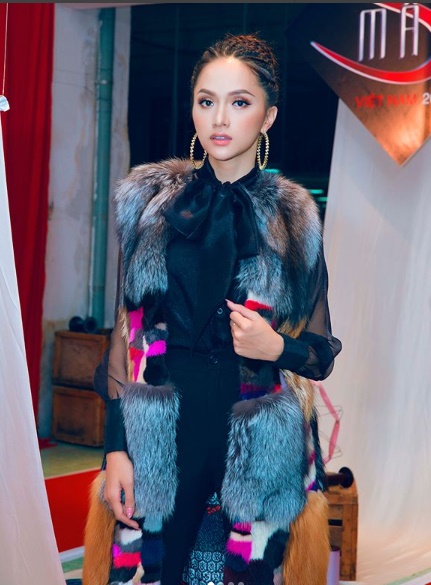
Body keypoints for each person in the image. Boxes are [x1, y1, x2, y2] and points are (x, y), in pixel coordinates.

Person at [82, 33, 341, 585]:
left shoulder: (295, 219)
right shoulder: (148, 204)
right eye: (207, 101)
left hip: (257, 435)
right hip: (162, 429)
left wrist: (276, 346)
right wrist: (115, 451)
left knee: (244, 572)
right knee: (156, 570)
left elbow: (320, 353)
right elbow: (126, 338)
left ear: (268, 117)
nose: (219, 118)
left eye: (239, 102)